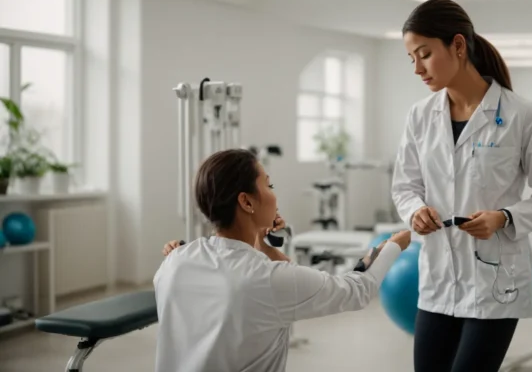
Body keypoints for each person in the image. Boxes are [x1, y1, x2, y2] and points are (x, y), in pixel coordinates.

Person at [391, 0, 532, 372]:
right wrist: (414, 211)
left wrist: (503, 217)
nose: (417, 69)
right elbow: (404, 186)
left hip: (495, 283)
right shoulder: (420, 116)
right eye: (412, 58)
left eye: (424, 54)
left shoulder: (521, 115)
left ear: (458, 46)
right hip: (439, 280)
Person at [154, 148, 412, 372]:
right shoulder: (265, 279)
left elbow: (272, 284)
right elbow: (357, 290)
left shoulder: (174, 262)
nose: (275, 196)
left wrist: (264, 246)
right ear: (246, 201)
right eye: (269, 185)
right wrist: (391, 247)